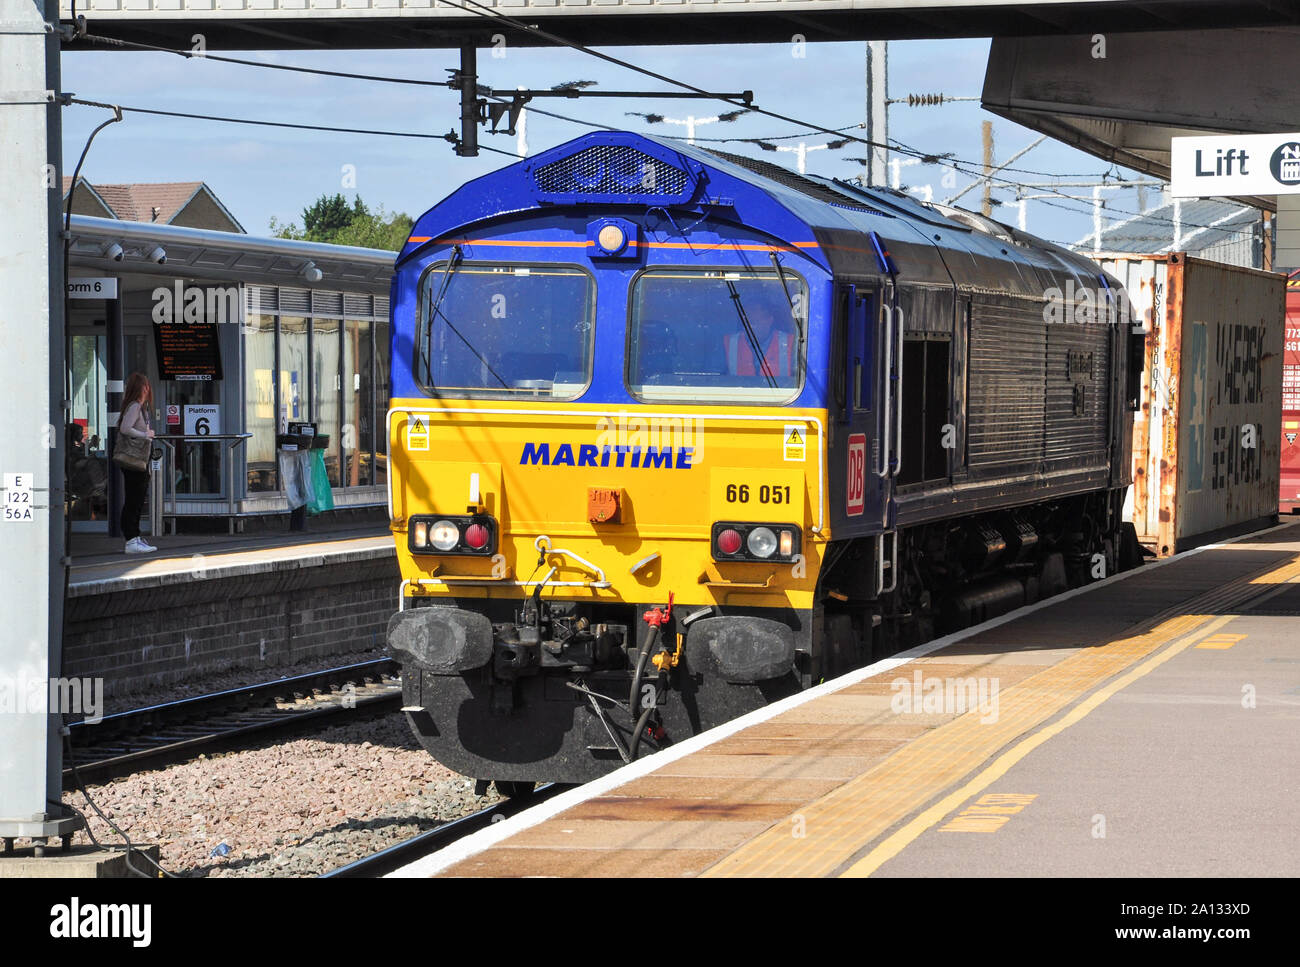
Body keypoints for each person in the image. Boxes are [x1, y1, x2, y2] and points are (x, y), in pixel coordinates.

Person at [118, 373, 157, 554]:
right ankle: (131, 540)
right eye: (145, 386)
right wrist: (145, 435)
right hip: (134, 460)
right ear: (140, 388)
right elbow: (125, 428)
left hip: (139, 460)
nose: (147, 390)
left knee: (137, 499)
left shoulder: (139, 408)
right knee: (135, 499)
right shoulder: (135, 406)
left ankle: (134, 537)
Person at [723, 299, 798, 382]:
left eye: (756, 321)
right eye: (747, 322)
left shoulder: (791, 343)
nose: (751, 326)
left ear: (770, 320)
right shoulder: (729, 343)